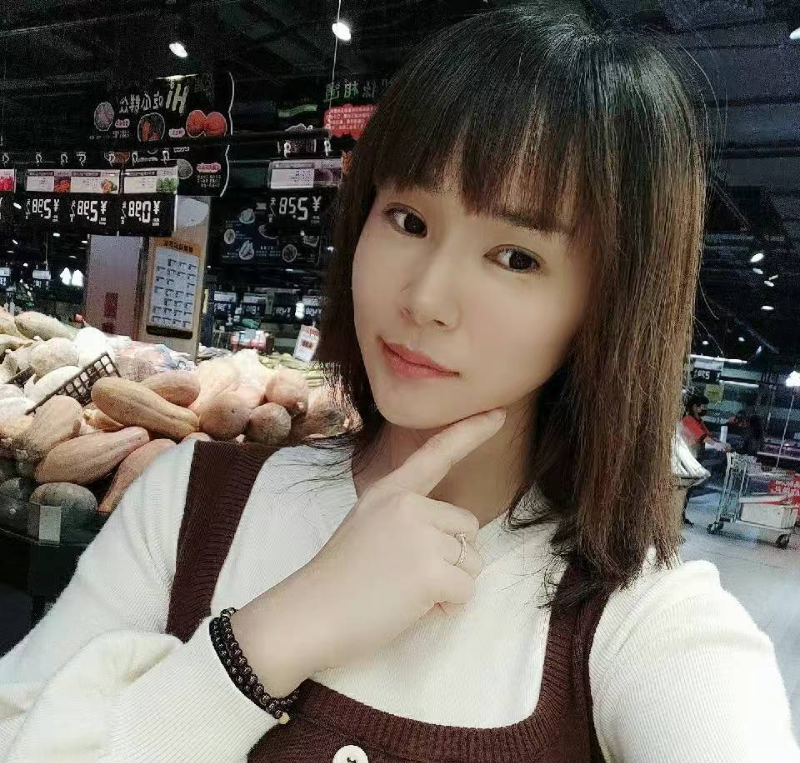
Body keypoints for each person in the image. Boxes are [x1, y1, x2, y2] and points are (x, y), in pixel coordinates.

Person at [1, 5, 797, 762]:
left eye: (516, 257)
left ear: (604, 307)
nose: (424, 297)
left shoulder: (639, 619)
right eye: (409, 219)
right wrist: (266, 640)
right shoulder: (189, 501)